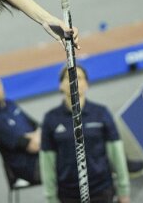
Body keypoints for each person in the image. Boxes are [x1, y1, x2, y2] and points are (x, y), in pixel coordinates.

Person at [40, 64, 130, 203]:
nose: (73, 80)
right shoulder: (51, 119)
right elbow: (47, 162)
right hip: (68, 194)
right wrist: (50, 197)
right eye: (68, 77)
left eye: (79, 77)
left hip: (101, 190)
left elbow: (117, 154)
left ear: (87, 84)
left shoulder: (101, 113)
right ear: (60, 85)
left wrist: (123, 191)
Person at [0, 69, 41, 186]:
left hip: (41, 157)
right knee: (70, 165)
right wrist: (38, 136)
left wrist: (36, 136)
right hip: (28, 170)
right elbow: (33, 146)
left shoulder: (10, 104)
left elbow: (39, 127)